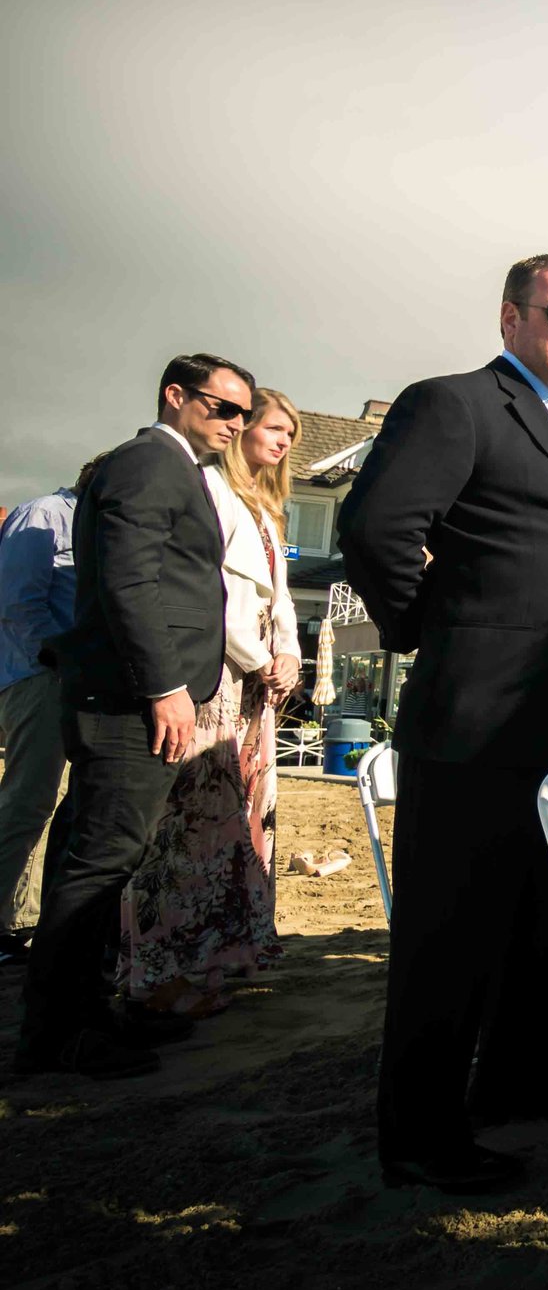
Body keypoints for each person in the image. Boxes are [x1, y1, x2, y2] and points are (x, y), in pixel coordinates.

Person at [341, 253, 548, 1194]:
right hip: (477, 721)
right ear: (511, 318)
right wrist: (433, 629)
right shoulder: (456, 406)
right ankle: (420, 1133)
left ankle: (521, 1082)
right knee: (452, 937)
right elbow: (376, 530)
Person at [15, 353, 252, 1079]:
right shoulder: (150, 462)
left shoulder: (169, 467)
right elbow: (128, 579)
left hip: (128, 696)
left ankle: (80, 1015)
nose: (234, 424)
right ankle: (60, 1034)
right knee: (100, 861)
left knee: (99, 856)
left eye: (243, 413)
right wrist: (163, 685)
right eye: (222, 408)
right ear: (175, 395)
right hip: (126, 702)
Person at [122, 388, 303, 1015]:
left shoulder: (269, 509)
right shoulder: (209, 492)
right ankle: (161, 972)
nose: (283, 443)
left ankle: (219, 960)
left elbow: (278, 601)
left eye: (291, 434)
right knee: (191, 828)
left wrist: (288, 656)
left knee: (241, 826)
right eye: (276, 428)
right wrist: (260, 660)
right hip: (216, 681)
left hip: (258, 688)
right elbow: (214, 597)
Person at [0, 483, 78, 962]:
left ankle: (22, 921)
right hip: (38, 677)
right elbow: (16, 602)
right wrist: (61, 656)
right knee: (28, 799)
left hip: (65, 678)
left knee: (46, 803)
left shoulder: (90, 521)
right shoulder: (44, 515)